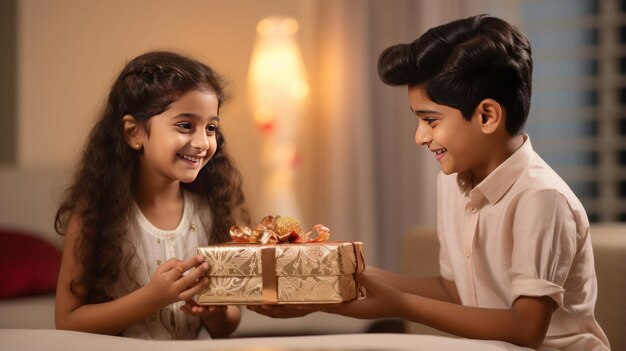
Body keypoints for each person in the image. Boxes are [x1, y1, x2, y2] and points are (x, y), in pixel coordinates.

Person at [249, 14, 610, 350]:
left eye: (431, 120)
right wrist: (334, 273)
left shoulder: (540, 198)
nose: (420, 137)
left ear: (487, 115)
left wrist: (398, 305)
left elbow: (525, 330)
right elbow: (453, 290)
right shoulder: (453, 182)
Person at [54, 51, 249, 340]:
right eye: (185, 125)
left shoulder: (213, 213)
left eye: (210, 128)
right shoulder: (95, 216)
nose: (201, 142)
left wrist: (217, 310)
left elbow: (227, 325)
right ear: (134, 133)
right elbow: (67, 323)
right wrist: (152, 298)